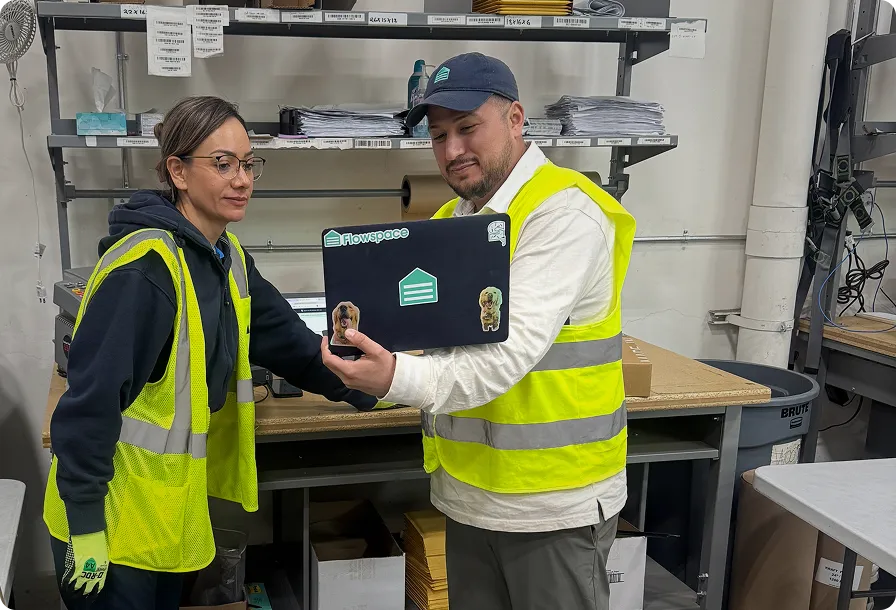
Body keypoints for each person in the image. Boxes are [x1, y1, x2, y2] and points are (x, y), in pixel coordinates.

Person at [322, 52, 636, 610]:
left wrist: (392, 376)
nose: (452, 150)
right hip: (469, 497)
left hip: (552, 504)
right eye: (439, 135)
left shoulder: (564, 215)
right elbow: (431, 330)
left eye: (468, 128)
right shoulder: (452, 223)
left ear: (516, 119)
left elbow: (501, 357)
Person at [43, 95, 377, 609]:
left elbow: (291, 345)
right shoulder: (146, 271)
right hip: (108, 526)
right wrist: (85, 524)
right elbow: (87, 407)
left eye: (248, 164)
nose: (241, 179)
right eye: (222, 164)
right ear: (177, 171)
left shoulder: (227, 258)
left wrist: (379, 386)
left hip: (164, 518)